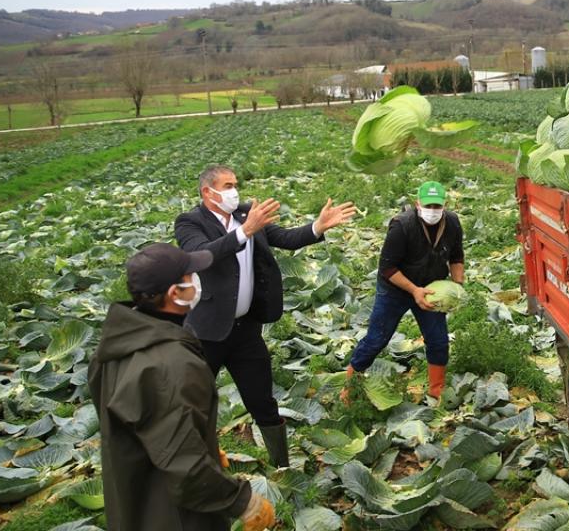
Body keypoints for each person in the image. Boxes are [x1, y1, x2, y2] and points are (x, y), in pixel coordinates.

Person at [175, 164, 356, 467]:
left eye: (236, 184)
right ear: (208, 192)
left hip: (246, 329)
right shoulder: (190, 222)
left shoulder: (248, 214)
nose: (235, 191)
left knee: (262, 400)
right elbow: (201, 255)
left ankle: (281, 467)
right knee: (193, 403)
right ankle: (192, 466)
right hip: (206, 332)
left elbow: (285, 237)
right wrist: (245, 231)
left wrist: (317, 227)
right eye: (228, 185)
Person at [87, 243, 275, 531]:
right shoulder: (171, 364)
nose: (197, 281)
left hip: (133, 496)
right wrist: (242, 502)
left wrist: (204, 446)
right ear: (175, 294)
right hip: (173, 514)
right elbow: (185, 466)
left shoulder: (114, 346)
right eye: (191, 277)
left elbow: (146, 422)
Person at [344, 181, 463, 400]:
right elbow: (387, 268)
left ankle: (437, 391)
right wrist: (414, 290)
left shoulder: (453, 224)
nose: (433, 211)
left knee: (438, 340)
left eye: (438, 206)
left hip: (430, 291)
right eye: (429, 206)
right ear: (418, 204)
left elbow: (456, 257)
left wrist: (458, 286)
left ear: (445, 205)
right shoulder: (402, 225)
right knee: (377, 339)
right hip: (395, 289)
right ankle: (349, 387)